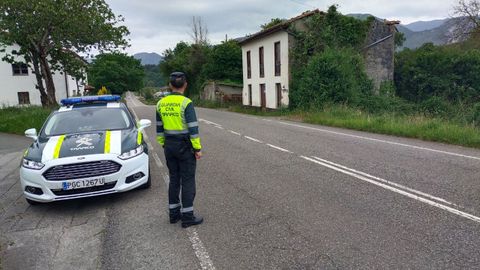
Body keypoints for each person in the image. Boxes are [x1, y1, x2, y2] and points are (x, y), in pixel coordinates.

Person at [156, 72, 203, 228]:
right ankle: (188, 216)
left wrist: (164, 144)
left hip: (169, 146)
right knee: (188, 180)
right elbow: (193, 129)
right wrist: (197, 148)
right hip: (185, 146)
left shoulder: (160, 103)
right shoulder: (186, 103)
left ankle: (174, 214)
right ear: (185, 84)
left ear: (170, 85)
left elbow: (159, 128)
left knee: (174, 179)